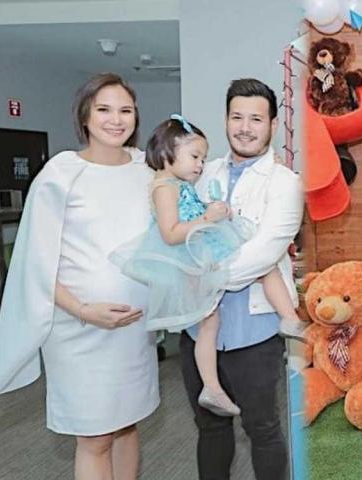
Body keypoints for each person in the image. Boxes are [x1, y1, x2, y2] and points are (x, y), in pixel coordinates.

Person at [0, 73, 159, 479]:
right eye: (104, 110)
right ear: (85, 117)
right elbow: (33, 263)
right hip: (79, 329)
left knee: (128, 423)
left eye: (125, 110)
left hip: (134, 329)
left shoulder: (147, 171)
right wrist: (83, 310)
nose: (116, 120)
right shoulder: (61, 174)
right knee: (94, 437)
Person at [111, 115, 306, 418]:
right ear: (168, 151)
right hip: (190, 253)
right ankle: (216, 383)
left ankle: (284, 323)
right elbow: (170, 233)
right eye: (195, 157)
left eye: (202, 158)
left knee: (224, 308)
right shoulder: (164, 188)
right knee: (217, 313)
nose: (200, 165)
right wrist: (207, 218)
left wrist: (213, 211)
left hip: (200, 244)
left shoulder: (178, 183)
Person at [179, 78, 303, 480]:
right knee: (209, 427)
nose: (245, 128)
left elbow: (264, 252)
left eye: (256, 119)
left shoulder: (285, 183)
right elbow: (176, 227)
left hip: (255, 332)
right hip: (198, 328)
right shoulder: (200, 171)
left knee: (262, 429)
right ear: (225, 120)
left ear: (273, 125)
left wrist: (202, 273)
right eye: (237, 117)